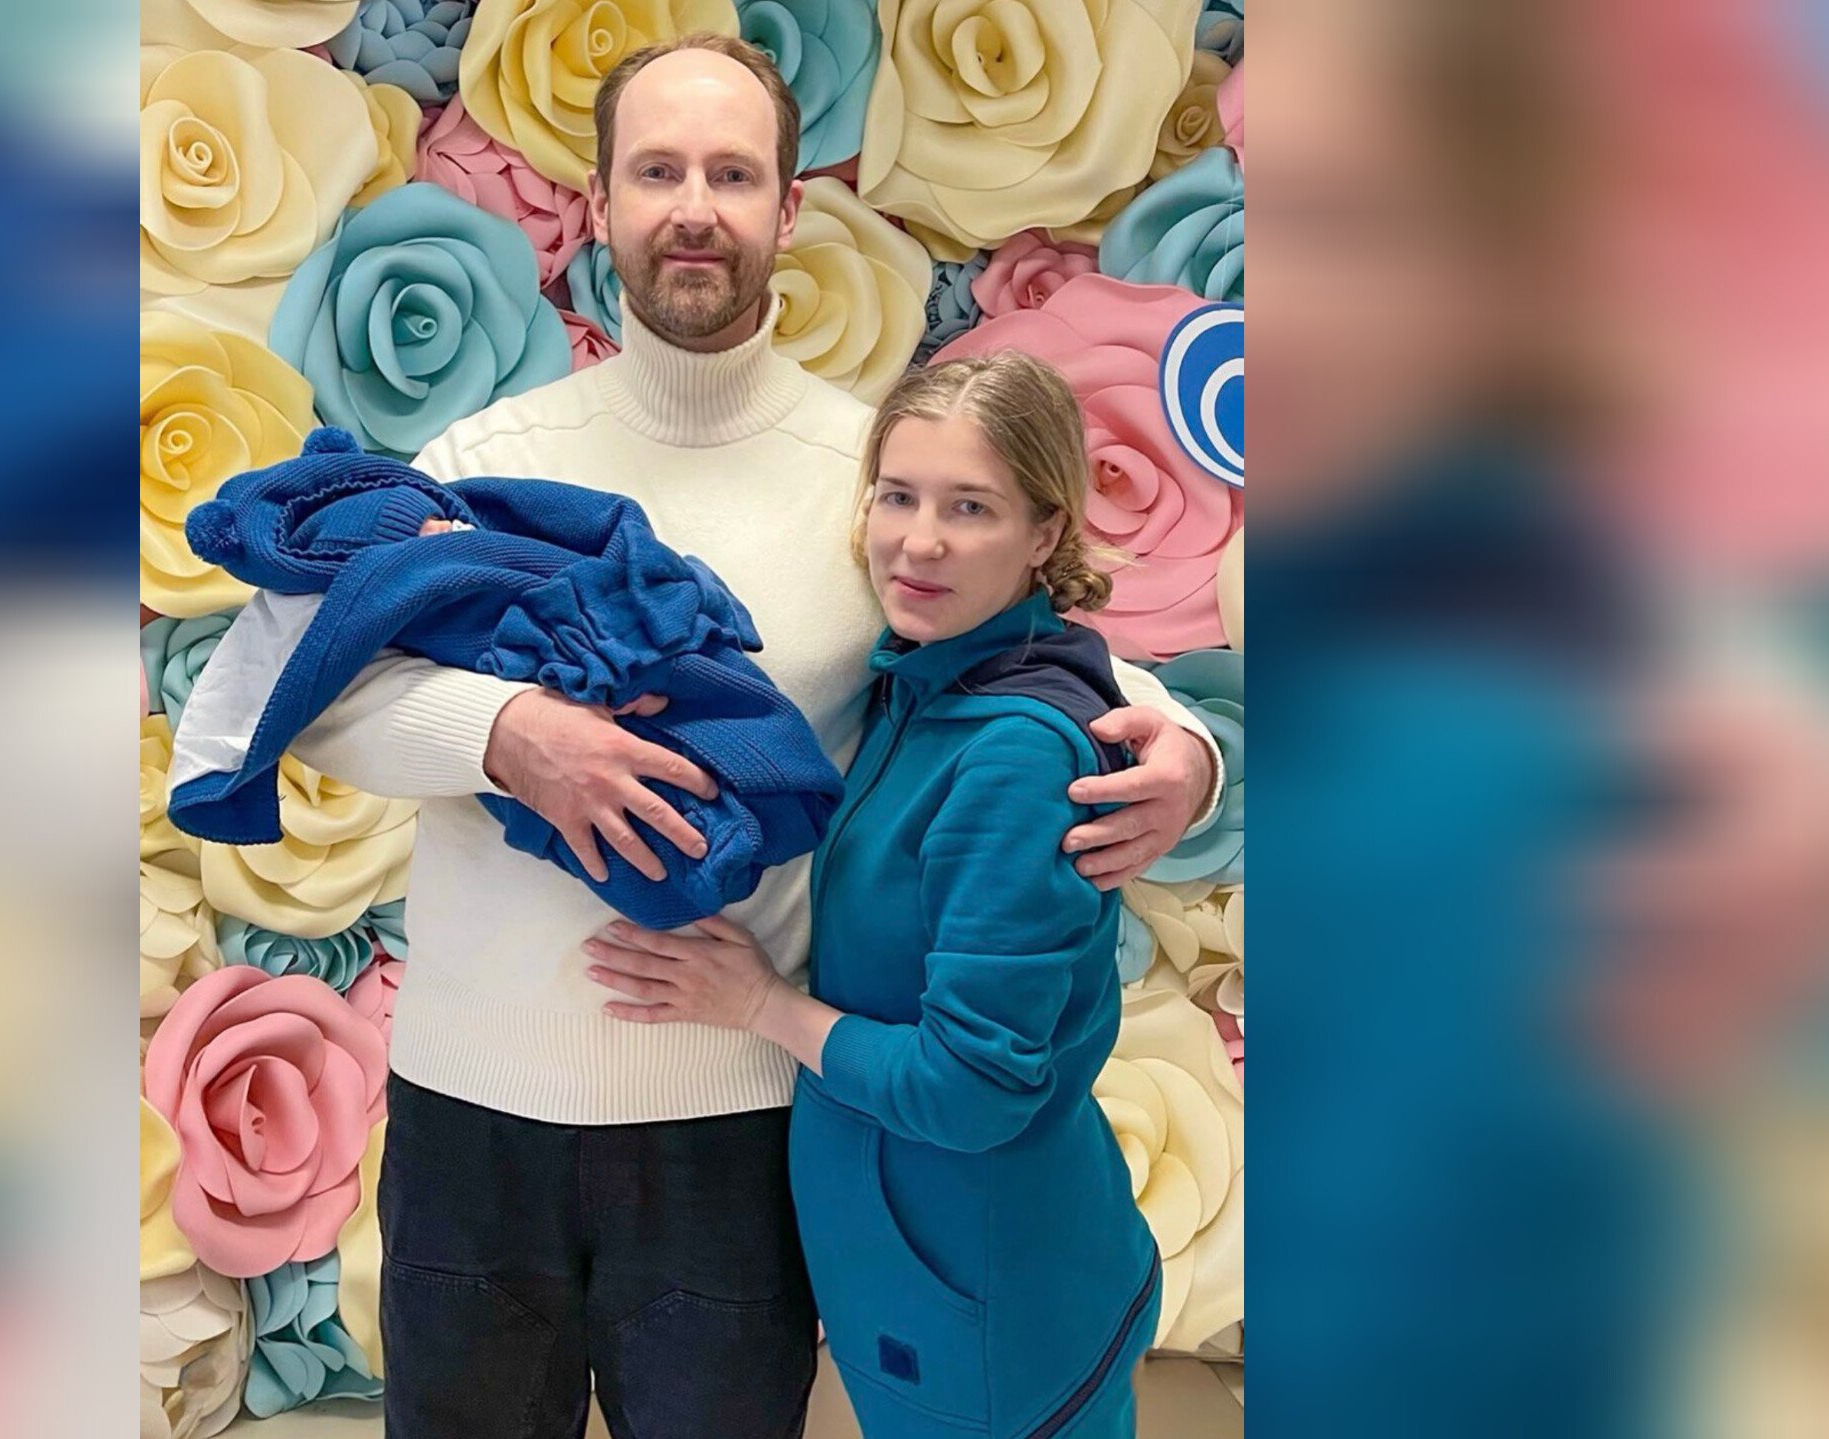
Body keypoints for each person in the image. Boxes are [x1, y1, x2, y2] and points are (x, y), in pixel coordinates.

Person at [271, 35, 1222, 1439]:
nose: (694, 207)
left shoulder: (872, 479)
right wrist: (508, 733)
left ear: (789, 205)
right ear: (600, 200)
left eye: (732, 173)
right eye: (657, 171)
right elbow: (323, 689)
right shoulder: (484, 460)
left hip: (737, 1120)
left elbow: (1041, 650)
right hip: (471, 1111)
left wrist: (1187, 748)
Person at [582, 352, 1164, 1438]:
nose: (918, 540)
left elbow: (972, 1087)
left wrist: (761, 1004)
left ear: (1045, 531)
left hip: (990, 1308)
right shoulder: (926, 683)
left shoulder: (1011, 753)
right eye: (898, 495)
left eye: (970, 507)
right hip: (939, 1277)